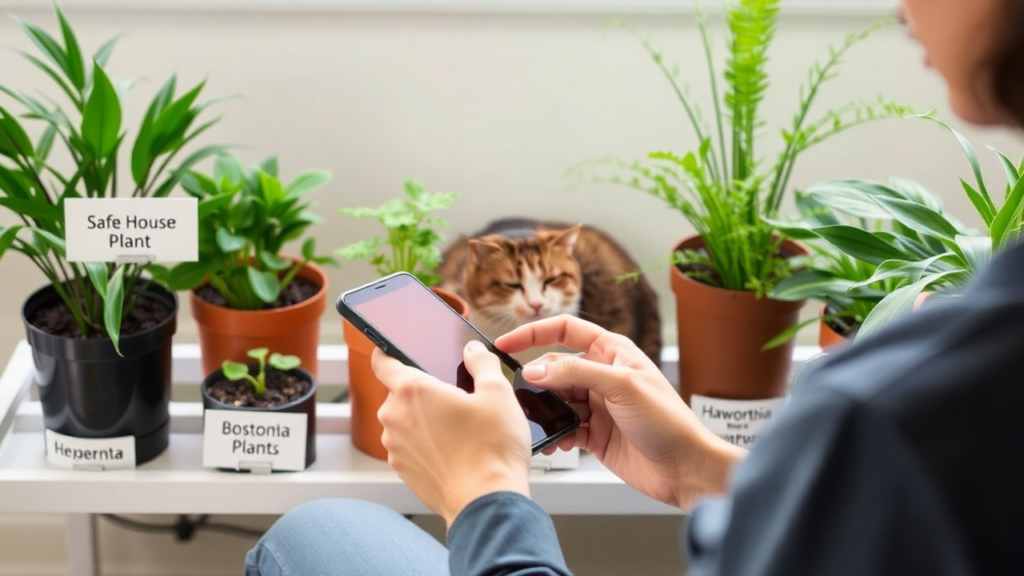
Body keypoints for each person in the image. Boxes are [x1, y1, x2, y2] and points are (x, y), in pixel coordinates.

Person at [244, 1, 1024, 574]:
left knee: (315, 533)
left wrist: (484, 494)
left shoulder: (897, 417)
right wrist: (702, 469)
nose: (900, 8)